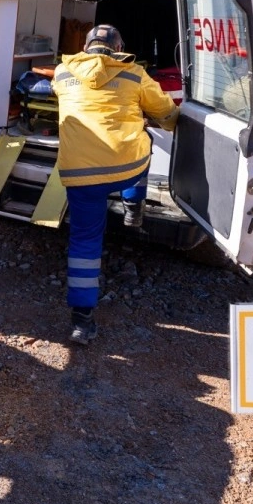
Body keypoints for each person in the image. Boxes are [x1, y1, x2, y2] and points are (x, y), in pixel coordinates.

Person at [50, 24, 179, 345]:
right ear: (119, 48)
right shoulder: (135, 74)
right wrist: (165, 121)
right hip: (125, 169)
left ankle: (81, 322)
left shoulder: (62, 72)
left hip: (80, 174)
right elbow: (166, 112)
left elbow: (62, 94)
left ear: (85, 47)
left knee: (85, 242)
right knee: (144, 143)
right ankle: (133, 208)